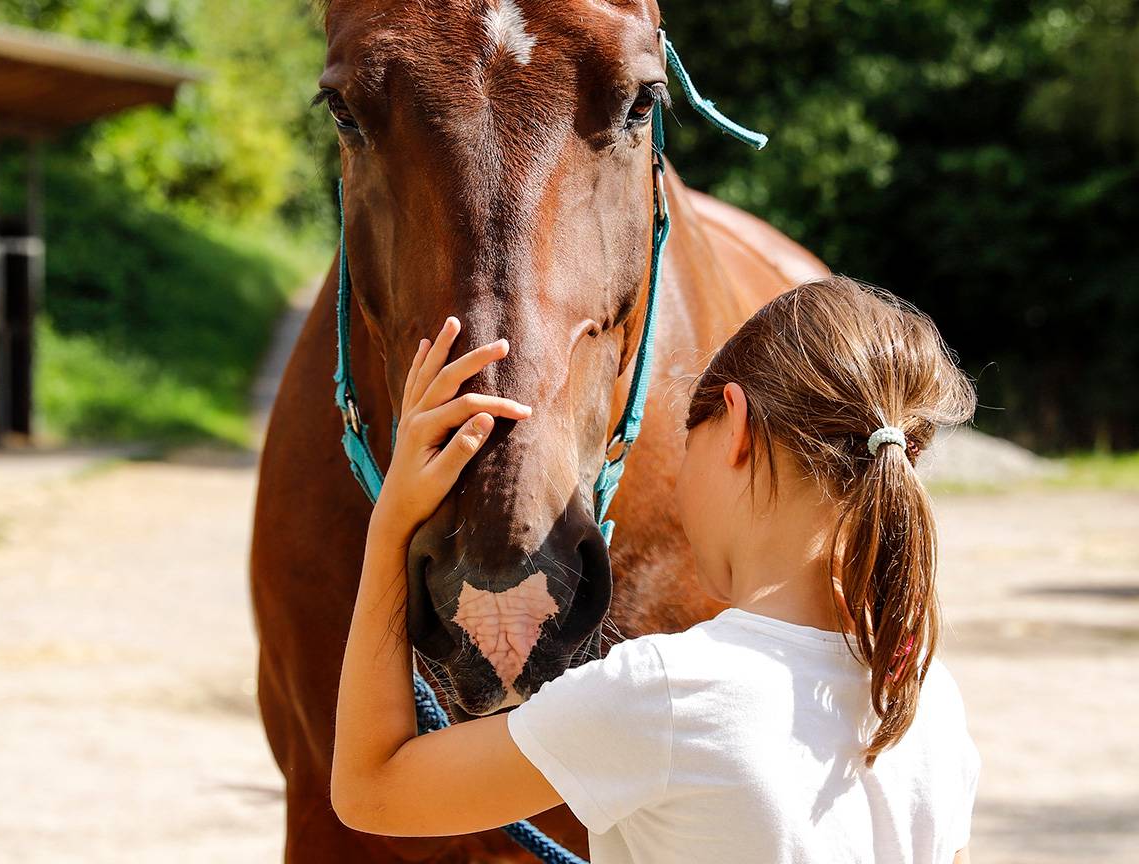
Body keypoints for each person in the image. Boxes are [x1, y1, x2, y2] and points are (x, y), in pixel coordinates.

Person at [332, 276, 980, 863]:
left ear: (736, 427)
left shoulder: (667, 695)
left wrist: (392, 524)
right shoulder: (924, 696)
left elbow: (372, 789)